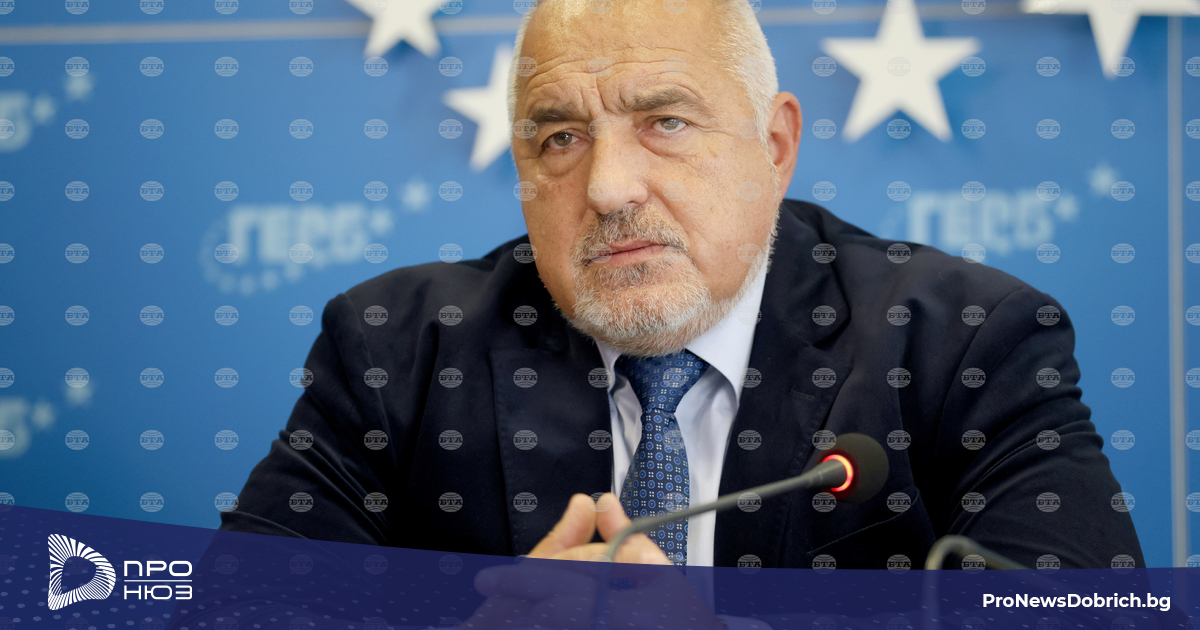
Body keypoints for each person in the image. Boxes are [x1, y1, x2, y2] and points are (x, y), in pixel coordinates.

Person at [220, 0, 1143, 570]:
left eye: (664, 122)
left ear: (774, 146)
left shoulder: (966, 342)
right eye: (560, 138)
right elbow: (237, 610)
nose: (609, 188)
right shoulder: (396, 349)